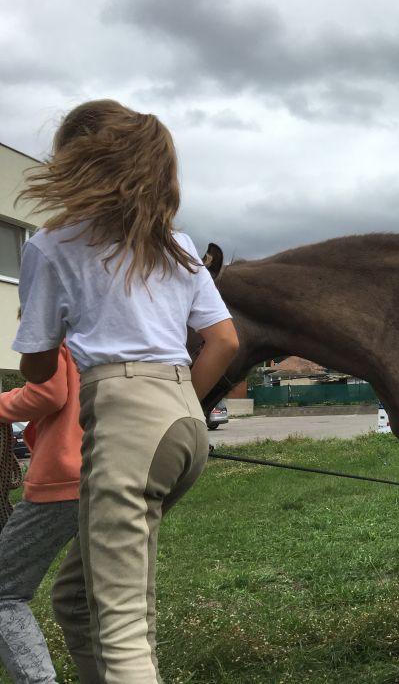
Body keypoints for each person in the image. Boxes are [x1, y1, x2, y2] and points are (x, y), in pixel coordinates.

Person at [12, 99, 240, 683]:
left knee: (120, 629)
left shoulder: (52, 245)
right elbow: (223, 341)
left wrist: (39, 322)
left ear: (77, 163)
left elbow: (37, 370)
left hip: (125, 424)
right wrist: (179, 402)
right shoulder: (178, 245)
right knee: (77, 599)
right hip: (183, 423)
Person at [0, 341, 82, 683]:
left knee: (3, 591)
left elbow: (48, 394)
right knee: (92, 598)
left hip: (64, 477)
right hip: (116, 471)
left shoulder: (56, 331)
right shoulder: (109, 328)